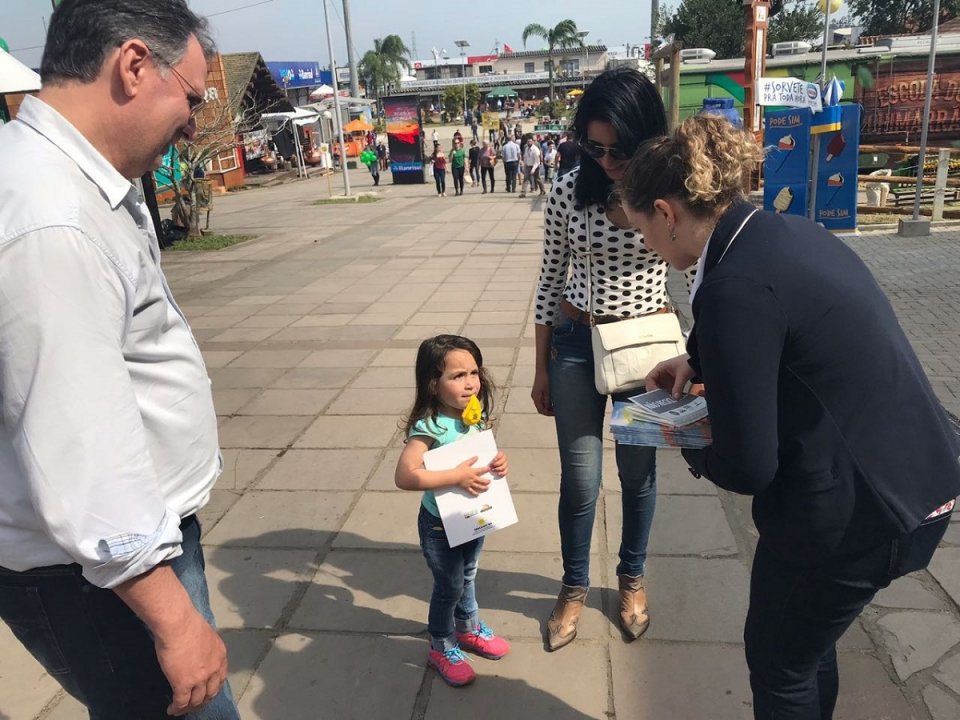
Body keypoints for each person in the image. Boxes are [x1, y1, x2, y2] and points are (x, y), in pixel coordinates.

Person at [621, 114, 960, 719]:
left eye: (642, 227)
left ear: (667, 214)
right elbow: (777, 315)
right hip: (918, 470)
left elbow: (749, 465)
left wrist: (680, 435)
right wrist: (694, 357)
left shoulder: (734, 286)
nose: (645, 244)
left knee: (779, 661)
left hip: (860, 511)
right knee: (805, 646)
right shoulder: (778, 233)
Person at [0, 1, 240, 718]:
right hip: (100, 578)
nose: (196, 122)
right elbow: (82, 452)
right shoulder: (52, 218)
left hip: (117, 560)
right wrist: (173, 619)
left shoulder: (78, 178)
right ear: (134, 65)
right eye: (192, 98)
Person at [530, 67, 679, 652]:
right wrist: (540, 366)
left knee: (639, 476)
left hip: (647, 355)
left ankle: (632, 578)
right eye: (595, 147)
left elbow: (690, 271)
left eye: (619, 149)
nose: (608, 161)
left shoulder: (670, 192)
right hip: (576, 347)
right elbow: (548, 280)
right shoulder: (569, 190)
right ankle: (573, 585)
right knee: (581, 479)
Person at [395, 335, 512, 687]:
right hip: (439, 525)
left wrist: (499, 463)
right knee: (448, 586)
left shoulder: (474, 415)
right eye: (457, 375)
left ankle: (469, 628)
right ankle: (441, 644)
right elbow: (405, 475)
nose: (470, 383)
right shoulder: (429, 427)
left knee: (469, 574)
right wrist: (455, 477)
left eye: (474, 372)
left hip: (473, 516)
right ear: (433, 383)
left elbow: (481, 453)